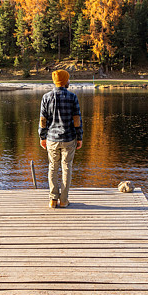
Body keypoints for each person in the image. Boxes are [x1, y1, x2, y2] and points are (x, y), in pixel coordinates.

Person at [39, 70, 83, 208]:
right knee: (66, 167)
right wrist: (79, 137)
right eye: (68, 79)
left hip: (52, 138)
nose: (69, 81)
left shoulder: (46, 97)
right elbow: (77, 120)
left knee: (52, 167)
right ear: (65, 81)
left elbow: (42, 120)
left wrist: (42, 136)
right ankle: (63, 200)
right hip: (69, 138)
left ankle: (53, 199)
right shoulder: (72, 97)